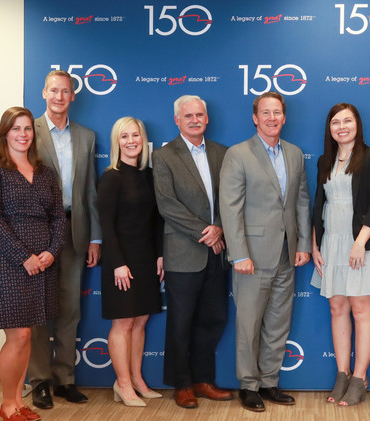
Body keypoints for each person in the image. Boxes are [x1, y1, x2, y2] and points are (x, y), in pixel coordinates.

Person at [219, 91, 311, 412]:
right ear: (255, 118)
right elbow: (230, 209)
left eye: (277, 113)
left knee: (277, 322)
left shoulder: (296, 154)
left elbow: (301, 202)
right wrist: (239, 254)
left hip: (287, 254)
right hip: (252, 257)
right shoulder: (238, 154)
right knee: (249, 323)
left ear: (284, 117)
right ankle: (248, 385)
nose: (272, 118)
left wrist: (303, 245)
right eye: (265, 113)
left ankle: (269, 381)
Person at [0, 107, 66, 421]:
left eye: (28, 128)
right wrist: (22, 257)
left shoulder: (44, 173)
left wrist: (52, 251)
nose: (23, 134)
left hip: (42, 263)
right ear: (5, 133)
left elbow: (58, 218)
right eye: (16, 128)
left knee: (28, 333)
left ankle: (17, 402)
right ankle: (7, 404)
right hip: (4, 261)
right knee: (19, 335)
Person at [310, 103, 370, 406]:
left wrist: (360, 242)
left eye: (347, 121)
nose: (341, 126)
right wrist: (315, 245)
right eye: (335, 122)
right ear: (329, 128)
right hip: (331, 243)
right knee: (337, 309)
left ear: (357, 124)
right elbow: (319, 203)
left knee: (361, 311)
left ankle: (359, 376)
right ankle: (341, 373)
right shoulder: (324, 160)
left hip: (362, 244)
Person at [152, 95, 232, 408]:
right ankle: (182, 384)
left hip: (218, 249)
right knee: (181, 322)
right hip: (183, 252)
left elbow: (231, 198)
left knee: (213, 319)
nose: (195, 120)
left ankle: (203, 380)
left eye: (200, 115)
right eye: (189, 116)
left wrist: (219, 227)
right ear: (177, 120)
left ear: (207, 118)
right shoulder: (164, 155)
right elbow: (167, 204)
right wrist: (205, 232)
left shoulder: (221, 153)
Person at [29, 69, 102, 409]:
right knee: (40, 311)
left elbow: (90, 193)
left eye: (65, 92)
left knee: (70, 310)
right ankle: (40, 380)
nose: (59, 97)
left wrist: (95, 239)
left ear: (73, 96)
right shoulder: (28, 131)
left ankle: (64, 379)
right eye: (53, 91)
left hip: (76, 232)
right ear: (44, 93)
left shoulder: (87, 137)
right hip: (38, 235)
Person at [97, 117, 164, 407]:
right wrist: (117, 263)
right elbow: (106, 225)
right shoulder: (111, 177)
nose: (131, 141)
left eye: (135, 135)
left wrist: (160, 254)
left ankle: (137, 380)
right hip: (120, 260)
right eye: (124, 137)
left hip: (146, 258)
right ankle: (122, 384)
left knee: (140, 321)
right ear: (117, 142)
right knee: (123, 323)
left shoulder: (149, 175)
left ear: (143, 138)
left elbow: (157, 221)